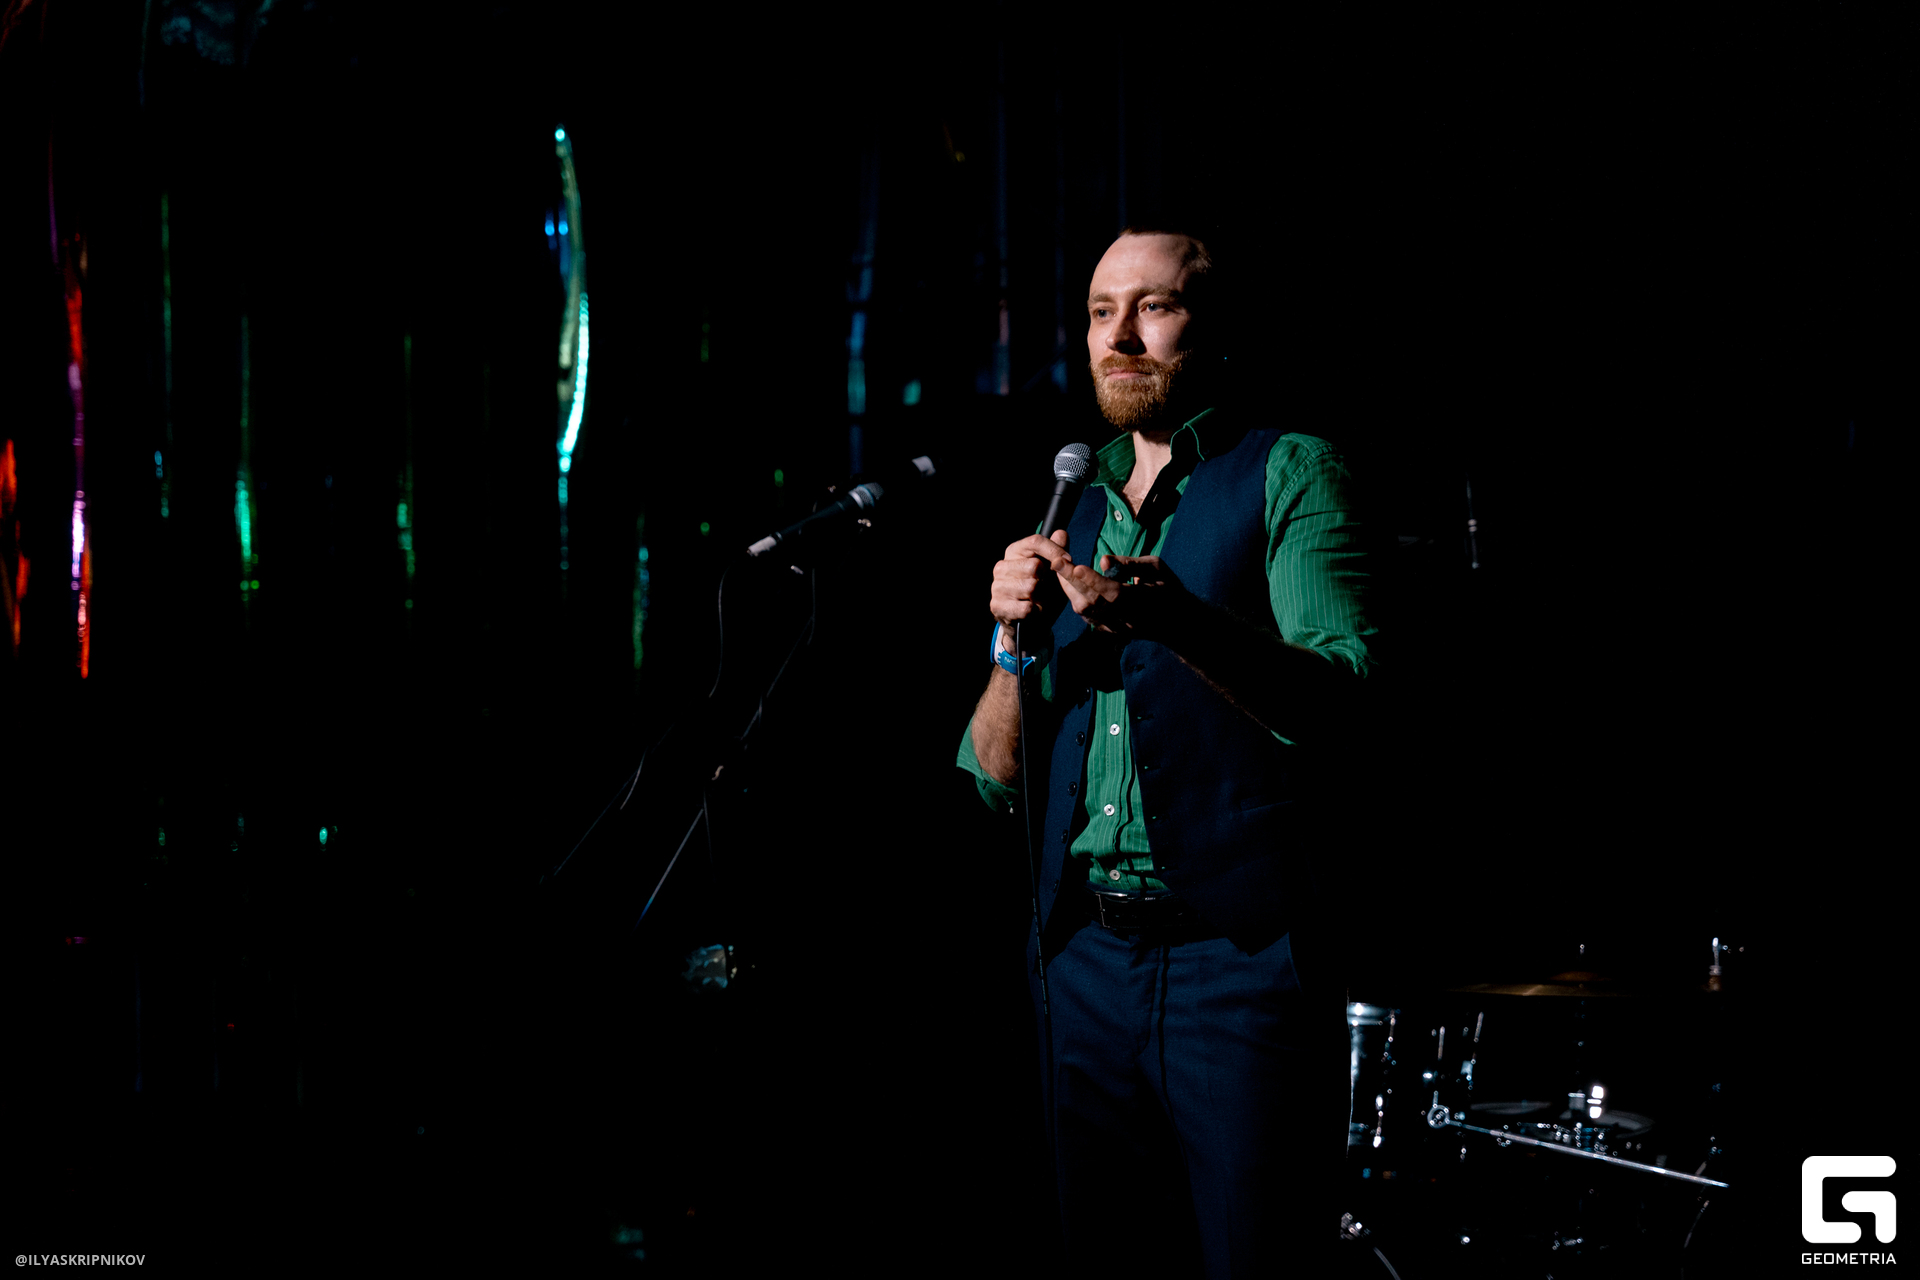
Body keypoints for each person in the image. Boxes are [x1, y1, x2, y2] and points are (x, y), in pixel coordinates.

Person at [957, 227, 1375, 1275]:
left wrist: (1181, 622)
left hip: (1233, 962)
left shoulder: (1288, 469)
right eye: (1102, 312)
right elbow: (989, 777)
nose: (1121, 336)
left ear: (1213, 330)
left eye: (1155, 306)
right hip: (1080, 964)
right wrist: (1010, 648)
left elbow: (1344, 698)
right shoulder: (1076, 503)